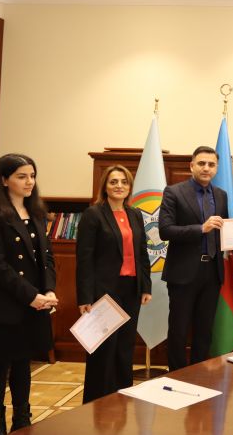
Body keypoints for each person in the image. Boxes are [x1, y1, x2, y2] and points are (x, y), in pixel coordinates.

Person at [0, 154, 57, 434]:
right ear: (3, 180)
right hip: (5, 303)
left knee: (24, 362)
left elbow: (47, 257)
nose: (29, 182)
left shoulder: (36, 212)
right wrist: (31, 295)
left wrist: (48, 289)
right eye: (22, 176)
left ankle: (22, 418)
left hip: (34, 302)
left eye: (32, 176)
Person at [76, 165, 152, 403]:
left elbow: (142, 253)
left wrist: (146, 286)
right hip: (104, 291)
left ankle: (121, 398)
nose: (119, 186)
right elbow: (84, 258)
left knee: (125, 346)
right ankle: (97, 401)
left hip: (131, 289)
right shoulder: (93, 214)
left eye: (124, 182)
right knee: (104, 348)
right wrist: (85, 297)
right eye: (113, 182)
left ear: (129, 187)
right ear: (105, 187)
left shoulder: (135, 214)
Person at [159, 146, 228, 371]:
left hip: (212, 272)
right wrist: (201, 228)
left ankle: (198, 375)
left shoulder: (221, 195)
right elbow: (165, 230)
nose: (206, 168)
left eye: (211, 164)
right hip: (183, 273)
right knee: (178, 330)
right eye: (201, 163)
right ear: (191, 166)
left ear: (216, 168)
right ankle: (176, 376)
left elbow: (225, 232)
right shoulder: (174, 192)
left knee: (204, 330)